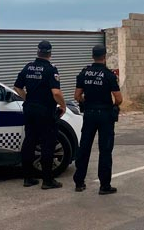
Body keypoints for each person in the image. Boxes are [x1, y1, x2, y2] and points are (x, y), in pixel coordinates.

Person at [14, 40, 67, 190]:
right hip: (45, 111)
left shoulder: (28, 67)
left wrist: (28, 99)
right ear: (50, 53)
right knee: (47, 144)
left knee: (30, 141)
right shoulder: (51, 69)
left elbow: (17, 86)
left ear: (38, 52)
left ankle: (28, 178)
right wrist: (62, 106)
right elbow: (56, 92)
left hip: (30, 109)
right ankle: (48, 181)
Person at [73, 44, 123, 195]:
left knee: (85, 147)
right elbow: (119, 98)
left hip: (89, 114)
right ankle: (104, 186)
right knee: (105, 149)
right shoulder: (109, 75)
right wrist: (113, 106)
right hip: (105, 115)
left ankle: (79, 182)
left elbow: (77, 96)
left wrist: (85, 102)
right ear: (104, 56)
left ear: (92, 56)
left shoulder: (85, 73)